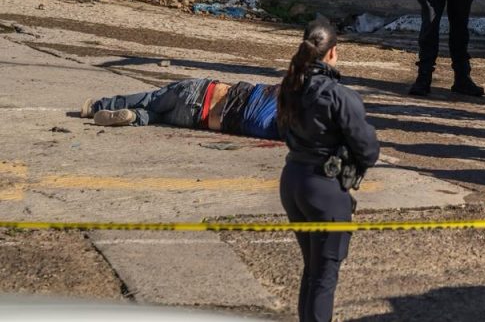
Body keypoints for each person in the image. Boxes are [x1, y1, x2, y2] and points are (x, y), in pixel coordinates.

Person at [277, 18, 380, 322]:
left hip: (292, 181)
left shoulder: (290, 86)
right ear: (333, 52)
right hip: (324, 189)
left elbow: (281, 129)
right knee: (324, 278)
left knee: (313, 270)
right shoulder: (340, 96)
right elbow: (369, 150)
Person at [81, 80, 281, 140]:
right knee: (160, 117)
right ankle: (135, 117)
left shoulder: (282, 91)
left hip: (200, 92)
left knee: (150, 98)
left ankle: (95, 106)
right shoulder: (277, 128)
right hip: (197, 119)